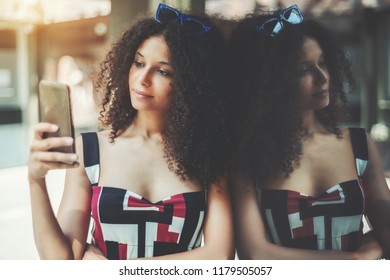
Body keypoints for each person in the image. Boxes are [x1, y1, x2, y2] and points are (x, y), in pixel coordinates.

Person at [28, 3, 234, 260]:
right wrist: (36, 181)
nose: (142, 79)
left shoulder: (208, 156)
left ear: (192, 84)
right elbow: (60, 261)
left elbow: (219, 255)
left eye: (162, 71)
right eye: (138, 63)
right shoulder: (91, 150)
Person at [228, 4, 390, 259]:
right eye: (303, 69)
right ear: (268, 80)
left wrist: (376, 244)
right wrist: (356, 260)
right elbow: (255, 254)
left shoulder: (359, 144)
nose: (322, 77)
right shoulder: (247, 155)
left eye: (323, 63)